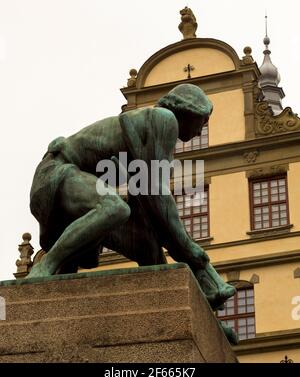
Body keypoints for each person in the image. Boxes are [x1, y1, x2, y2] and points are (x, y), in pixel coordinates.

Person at [27, 84, 236, 318]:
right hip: (57, 174)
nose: (200, 131)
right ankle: (45, 266)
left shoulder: (149, 131)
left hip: (77, 185)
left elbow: (150, 207)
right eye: (203, 121)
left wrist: (184, 253)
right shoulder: (164, 119)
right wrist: (188, 247)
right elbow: (155, 191)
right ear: (188, 112)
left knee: (147, 245)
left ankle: (187, 312)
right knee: (114, 208)